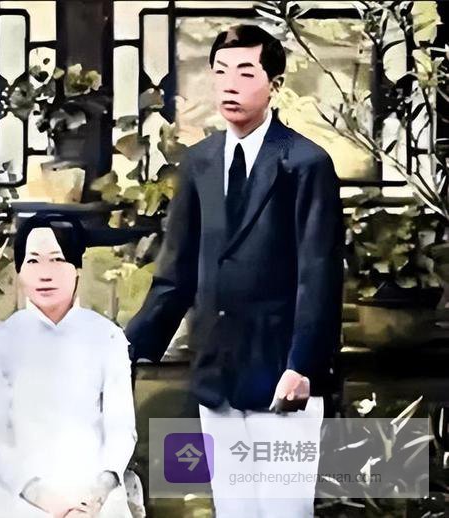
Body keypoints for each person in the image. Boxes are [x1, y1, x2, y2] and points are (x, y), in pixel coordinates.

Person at [125, 24, 344, 517]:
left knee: (284, 511)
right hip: (218, 373)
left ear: (275, 85)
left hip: (282, 375)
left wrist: (303, 366)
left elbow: (319, 276)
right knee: (234, 509)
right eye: (221, 72)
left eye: (246, 72)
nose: (230, 85)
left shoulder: (306, 163)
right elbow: (176, 273)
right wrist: (127, 350)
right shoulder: (200, 162)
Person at [0, 213, 137, 518]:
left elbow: (121, 430)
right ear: (20, 271)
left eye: (57, 260)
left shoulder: (108, 337)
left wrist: (95, 497)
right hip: (13, 501)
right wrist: (50, 503)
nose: (45, 274)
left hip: (92, 502)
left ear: (77, 268)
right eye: (33, 261)